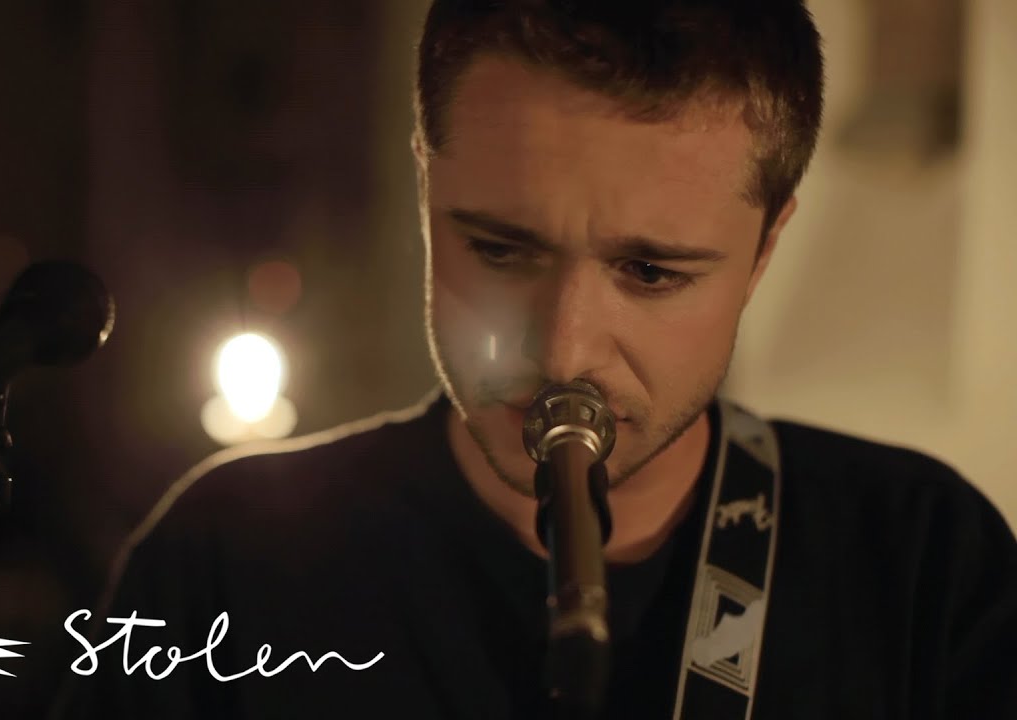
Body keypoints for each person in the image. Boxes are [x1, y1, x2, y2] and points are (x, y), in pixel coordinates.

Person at [59, 1, 1017, 717]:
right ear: (425, 185)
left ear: (765, 249)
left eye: (650, 271)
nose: (562, 351)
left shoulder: (926, 565)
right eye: (501, 250)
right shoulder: (221, 560)